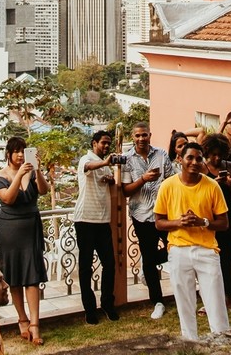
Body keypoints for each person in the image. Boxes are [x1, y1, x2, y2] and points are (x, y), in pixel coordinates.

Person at [154, 141, 230, 341]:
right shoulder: (167, 186)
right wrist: (179, 222)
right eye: (190, 157)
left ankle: (222, 342)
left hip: (207, 251)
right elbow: (159, 223)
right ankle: (190, 342)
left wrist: (202, 221)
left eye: (198, 158)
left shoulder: (212, 186)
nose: (195, 162)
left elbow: (224, 223)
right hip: (178, 250)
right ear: (180, 159)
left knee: (215, 302)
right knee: (184, 302)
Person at [0, 136, 50, 343]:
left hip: (31, 227)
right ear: (8, 153)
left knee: (32, 275)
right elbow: (8, 198)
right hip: (9, 229)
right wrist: (19, 175)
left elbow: (43, 191)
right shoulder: (0, 175)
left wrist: (38, 170)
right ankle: (22, 319)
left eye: (23, 150)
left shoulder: (32, 172)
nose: (19, 154)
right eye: (16, 151)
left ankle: (35, 324)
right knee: (14, 275)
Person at [122, 122, 175, 320]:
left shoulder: (161, 155)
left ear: (150, 135)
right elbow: (125, 191)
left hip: (164, 214)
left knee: (174, 249)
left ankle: (148, 260)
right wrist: (143, 179)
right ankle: (158, 301)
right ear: (133, 137)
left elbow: (172, 181)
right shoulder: (127, 159)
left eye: (144, 135)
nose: (141, 138)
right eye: (137, 136)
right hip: (141, 215)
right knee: (150, 260)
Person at [73, 130, 119, 323]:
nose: (106, 146)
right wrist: (106, 163)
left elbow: (111, 180)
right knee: (86, 267)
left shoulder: (106, 166)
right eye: (103, 143)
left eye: (109, 143)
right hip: (85, 220)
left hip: (103, 221)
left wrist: (111, 178)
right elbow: (90, 166)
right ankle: (89, 309)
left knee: (109, 264)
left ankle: (107, 304)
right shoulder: (86, 159)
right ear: (94, 143)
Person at [200, 133, 231, 308]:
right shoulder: (201, 168)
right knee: (209, 260)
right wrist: (214, 184)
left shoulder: (230, 166)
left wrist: (228, 185)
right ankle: (210, 298)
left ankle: (228, 296)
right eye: (213, 154)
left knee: (227, 259)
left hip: (228, 219)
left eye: (220, 154)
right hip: (208, 220)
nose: (217, 158)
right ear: (207, 152)